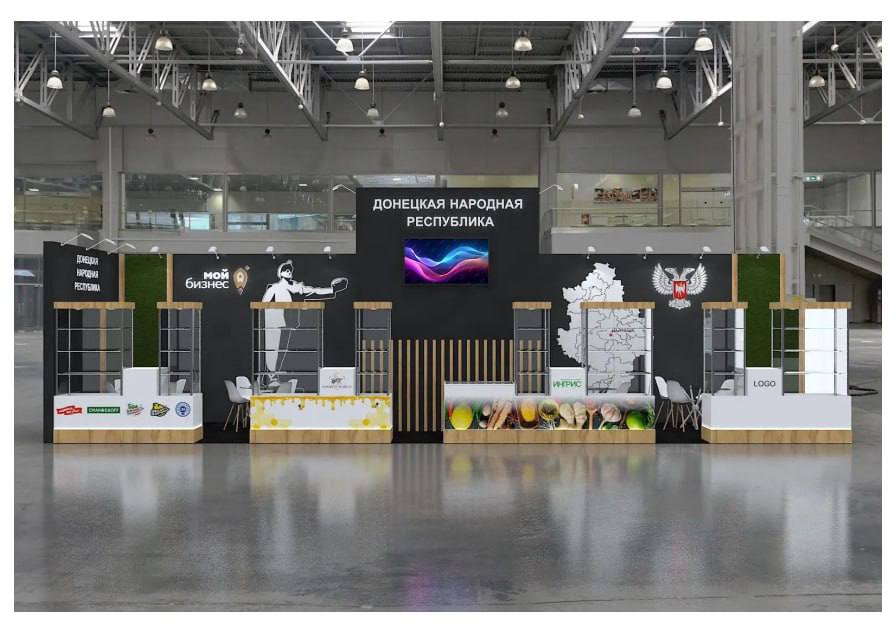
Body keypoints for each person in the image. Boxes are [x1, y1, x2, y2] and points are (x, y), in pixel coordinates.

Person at [261, 260, 348, 386]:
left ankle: (276, 375)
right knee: (273, 350)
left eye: (290, 270)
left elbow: (315, 291)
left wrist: (332, 290)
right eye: (286, 270)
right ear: (281, 273)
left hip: (290, 323)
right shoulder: (274, 288)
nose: (289, 272)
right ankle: (271, 377)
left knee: (283, 351)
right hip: (274, 323)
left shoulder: (297, 287)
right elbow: (262, 305)